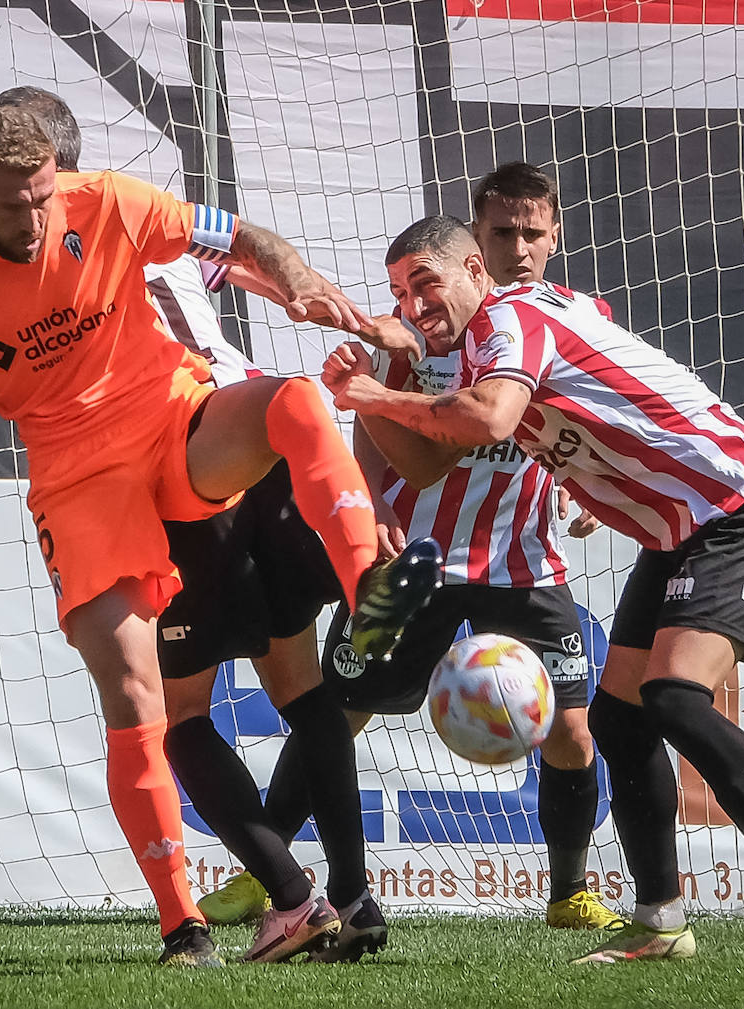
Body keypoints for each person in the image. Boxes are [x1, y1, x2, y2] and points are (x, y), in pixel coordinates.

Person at [0, 101, 423, 967]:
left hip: (175, 420)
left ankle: (371, 598)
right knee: (139, 703)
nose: (33, 220)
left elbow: (243, 238)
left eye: (42, 197)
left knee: (294, 398)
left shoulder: (109, 201)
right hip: (78, 480)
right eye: (10, 205)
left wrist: (303, 284)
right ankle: (185, 925)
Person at [322, 213, 744, 966]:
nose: (412, 303)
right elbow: (432, 464)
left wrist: (378, 390)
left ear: (476, 268)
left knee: (670, 695)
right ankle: (661, 917)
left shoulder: (510, 314)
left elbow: (491, 417)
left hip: (742, 503)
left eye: (426, 283)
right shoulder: (482, 343)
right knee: (620, 718)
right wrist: (371, 398)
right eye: (400, 292)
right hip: (679, 527)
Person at [205, 163, 621, 934]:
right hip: (414, 559)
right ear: (476, 243)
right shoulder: (415, 331)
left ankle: (568, 891)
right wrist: (365, 504)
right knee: (339, 709)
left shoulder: (572, 317)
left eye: (535, 233)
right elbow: (370, 419)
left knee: (570, 728)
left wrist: (583, 486)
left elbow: (589, 417)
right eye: (504, 232)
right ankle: (266, 878)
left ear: (557, 236)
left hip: (521, 562)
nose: (520, 248)